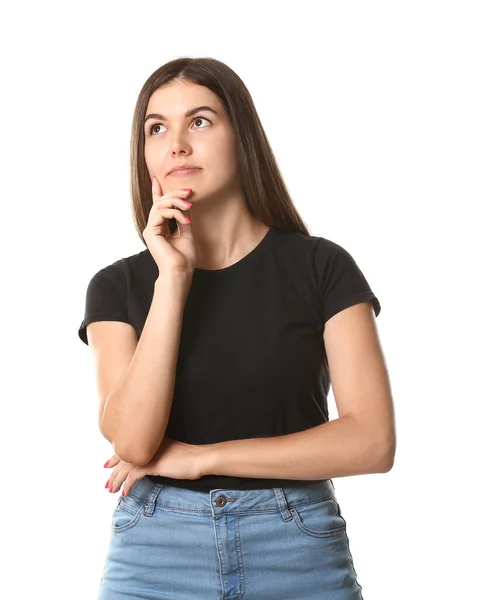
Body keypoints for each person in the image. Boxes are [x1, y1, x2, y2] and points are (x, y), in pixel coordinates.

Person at [78, 57, 395, 600]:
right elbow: (131, 439)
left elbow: (371, 441)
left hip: (296, 548)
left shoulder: (322, 268)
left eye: (199, 121)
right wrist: (173, 278)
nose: (177, 143)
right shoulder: (117, 286)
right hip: (156, 552)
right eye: (157, 128)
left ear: (240, 136)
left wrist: (203, 458)